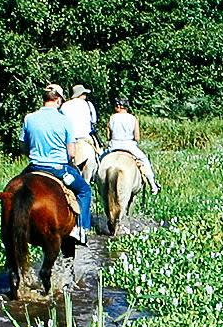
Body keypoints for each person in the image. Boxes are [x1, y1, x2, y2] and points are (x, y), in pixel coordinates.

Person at [23, 83, 93, 244]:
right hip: (59, 170)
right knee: (84, 190)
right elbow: (72, 153)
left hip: (33, 167)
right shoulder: (64, 120)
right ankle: (80, 229)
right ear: (58, 100)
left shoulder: (29, 118)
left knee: (12, 192)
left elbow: (24, 146)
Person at [104, 98, 160, 193]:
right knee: (144, 160)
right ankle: (153, 184)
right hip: (129, 145)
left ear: (118, 106)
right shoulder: (132, 118)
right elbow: (137, 137)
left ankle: (95, 181)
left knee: (100, 160)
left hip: (114, 145)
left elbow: (108, 136)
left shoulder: (112, 118)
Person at [60, 83, 99, 175]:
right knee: (98, 156)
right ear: (81, 95)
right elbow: (94, 120)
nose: (85, 96)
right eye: (84, 94)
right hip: (85, 138)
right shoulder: (88, 105)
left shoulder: (64, 106)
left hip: (68, 140)